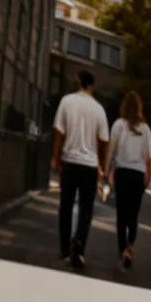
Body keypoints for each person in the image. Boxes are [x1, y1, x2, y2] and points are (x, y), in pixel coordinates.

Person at [51, 70, 109, 272]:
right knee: (86, 208)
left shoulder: (67, 102)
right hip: (89, 166)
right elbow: (104, 141)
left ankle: (64, 250)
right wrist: (102, 165)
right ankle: (79, 244)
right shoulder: (99, 109)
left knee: (65, 206)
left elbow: (59, 132)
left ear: (79, 83)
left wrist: (56, 158)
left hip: (70, 161)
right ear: (91, 86)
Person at [106, 91, 151, 272]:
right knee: (133, 215)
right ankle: (129, 246)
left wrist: (108, 170)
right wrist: (147, 177)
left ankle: (121, 251)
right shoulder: (146, 129)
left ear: (124, 106)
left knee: (121, 214)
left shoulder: (118, 125)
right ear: (139, 108)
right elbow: (149, 157)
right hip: (137, 176)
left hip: (122, 173)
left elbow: (112, 150)